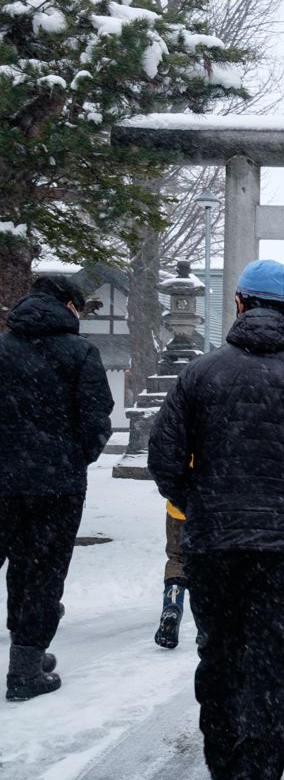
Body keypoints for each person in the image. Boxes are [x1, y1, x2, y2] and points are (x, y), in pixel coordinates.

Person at [148, 259, 284, 779]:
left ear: (239, 303)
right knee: (272, 668)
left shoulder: (200, 373)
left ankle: (224, 766)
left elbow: (164, 455)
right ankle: (262, 770)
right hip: (281, 547)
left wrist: (198, 505)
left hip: (214, 544)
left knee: (218, 661)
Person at [0, 275, 113, 701]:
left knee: (14, 564)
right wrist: (71, 459)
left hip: (2, 479)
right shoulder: (80, 353)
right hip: (56, 485)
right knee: (41, 570)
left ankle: (26, 654)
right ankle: (26, 664)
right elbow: (97, 417)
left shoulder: (2, 349)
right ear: (69, 306)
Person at [153, 499, 187, 649]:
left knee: (177, 558)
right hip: (214, 509)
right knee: (210, 559)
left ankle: (173, 604)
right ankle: (209, 623)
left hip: (178, 508)